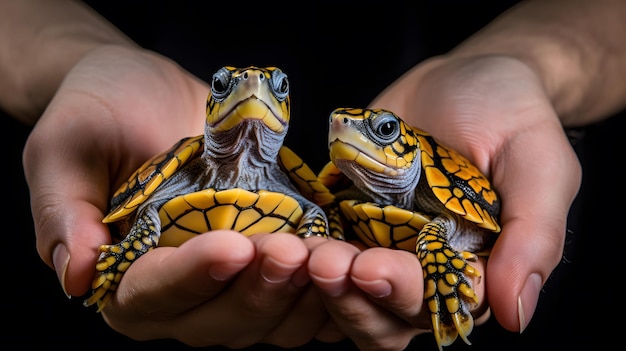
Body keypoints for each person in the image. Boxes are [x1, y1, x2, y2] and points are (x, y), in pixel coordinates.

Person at [1, 0, 624, 350]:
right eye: (227, 87)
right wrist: (71, 62)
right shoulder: (308, 196)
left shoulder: (316, 200)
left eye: (273, 88)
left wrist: (533, 62)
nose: (251, 93)